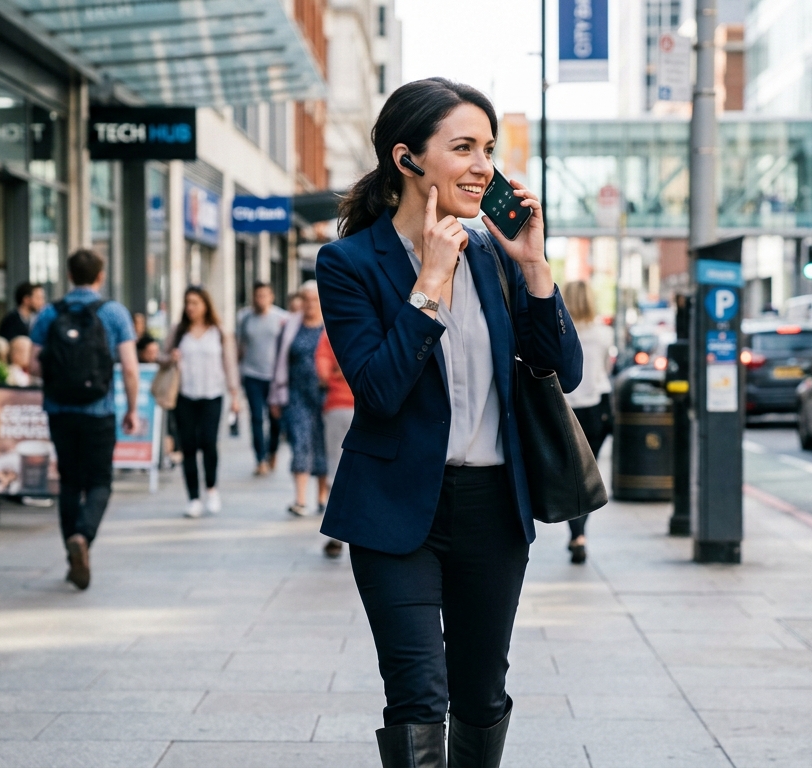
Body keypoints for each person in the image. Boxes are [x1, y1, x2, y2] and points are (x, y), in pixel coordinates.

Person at [315, 78, 581, 767]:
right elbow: (378, 391)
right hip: (396, 508)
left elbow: (564, 371)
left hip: (494, 506)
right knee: (416, 695)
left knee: (481, 695)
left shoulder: (496, 256)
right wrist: (429, 284)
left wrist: (535, 267)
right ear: (408, 159)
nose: (483, 166)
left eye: (487, 148)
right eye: (463, 147)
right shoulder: (349, 264)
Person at [29, 249, 141, 591]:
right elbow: (131, 370)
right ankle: (83, 536)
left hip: (60, 410)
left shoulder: (49, 313)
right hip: (99, 410)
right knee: (99, 482)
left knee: (69, 482)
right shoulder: (114, 313)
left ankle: (71, 554)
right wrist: (132, 410)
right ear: (100, 275)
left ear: (68, 275)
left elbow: (33, 367)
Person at [168, 286, 240, 518]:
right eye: (188, 302)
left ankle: (211, 489)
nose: (191, 307)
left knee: (208, 442)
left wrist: (235, 395)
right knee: (188, 445)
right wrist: (169, 358)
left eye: (195, 303)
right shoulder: (179, 331)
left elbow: (230, 365)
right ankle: (193, 497)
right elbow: (162, 356)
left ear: (206, 305)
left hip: (212, 395)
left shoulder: (219, 332)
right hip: (185, 395)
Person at [560, 280, 614, 565]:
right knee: (588, 476)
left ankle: (576, 533)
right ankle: (580, 533)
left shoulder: (560, 331)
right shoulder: (604, 333)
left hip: (565, 409)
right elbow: (604, 371)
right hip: (596, 410)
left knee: (571, 478)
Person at [269, 282, 328, 517]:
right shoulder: (290, 326)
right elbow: (279, 362)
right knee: (300, 442)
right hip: (297, 395)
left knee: (324, 444)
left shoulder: (331, 324)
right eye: (305, 299)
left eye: (314, 299)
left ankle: (323, 496)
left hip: (326, 396)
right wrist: (275, 397)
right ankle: (300, 499)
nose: (310, 304)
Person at [237, 282, 289, 475]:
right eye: (257, 296)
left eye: (264, 296)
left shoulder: (282, 318)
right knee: (256, 418)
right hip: (251, 375)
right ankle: (260, 459)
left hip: (275, 377)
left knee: (276, 420)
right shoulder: (244, 318)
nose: (260, 300)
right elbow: (239, 347)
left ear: (271, 297)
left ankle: (272, 451)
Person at [315, 330, 353, 559]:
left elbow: (322, 374)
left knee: (335, 468)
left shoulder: (330, 334)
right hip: (373, 407)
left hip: (337, 406)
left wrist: (340, 373)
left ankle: (336, 535)